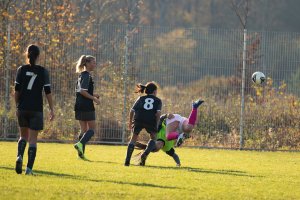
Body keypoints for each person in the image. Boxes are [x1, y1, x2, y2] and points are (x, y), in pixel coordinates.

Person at [14, 44, 55, 175]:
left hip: (23, 107)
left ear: (27, 54)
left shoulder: (21, 69)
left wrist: (17, 105)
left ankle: (19, 156)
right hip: (36, 109)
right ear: (38, 56)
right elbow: (48, 91)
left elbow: (16, 91)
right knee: (32, 140)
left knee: (23, 136)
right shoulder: (43, 71)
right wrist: (52, 109)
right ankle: (29, 169)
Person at [134, 99, 204, 166]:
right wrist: (178, 164)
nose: (159, 146)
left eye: (157, 146)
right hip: (181, 124)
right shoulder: (167, 149)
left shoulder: (158, 132)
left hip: (172, 120)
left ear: (155, 143)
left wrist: (166, 115)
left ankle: (179, 136)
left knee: (168, 136)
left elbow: (160, 118)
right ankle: (194, 107)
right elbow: (175, 156)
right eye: (158, 149)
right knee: (189, 128)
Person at [125, 82, 162, 166]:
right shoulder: (158, 100)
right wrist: (156, 124)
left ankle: (127, 161)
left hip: (139, 119)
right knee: (153, 138)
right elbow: (158, 113)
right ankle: (144, 154)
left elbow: (132, 110)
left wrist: (130, 122)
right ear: (155, 91)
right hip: (150, 120)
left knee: (133, 139)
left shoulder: (140, 98)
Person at [73, 55, 100, 159]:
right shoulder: (86, 76)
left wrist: (94, 94)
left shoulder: (81, 75)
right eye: (93, 62)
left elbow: (82, 91)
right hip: (86, 105)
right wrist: (94, 98)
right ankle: (80, 144)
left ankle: (81, 154)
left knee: (83, 130)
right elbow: (83, 91)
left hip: (79, 104)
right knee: (92, 129)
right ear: (87, 63)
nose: (95, 65)